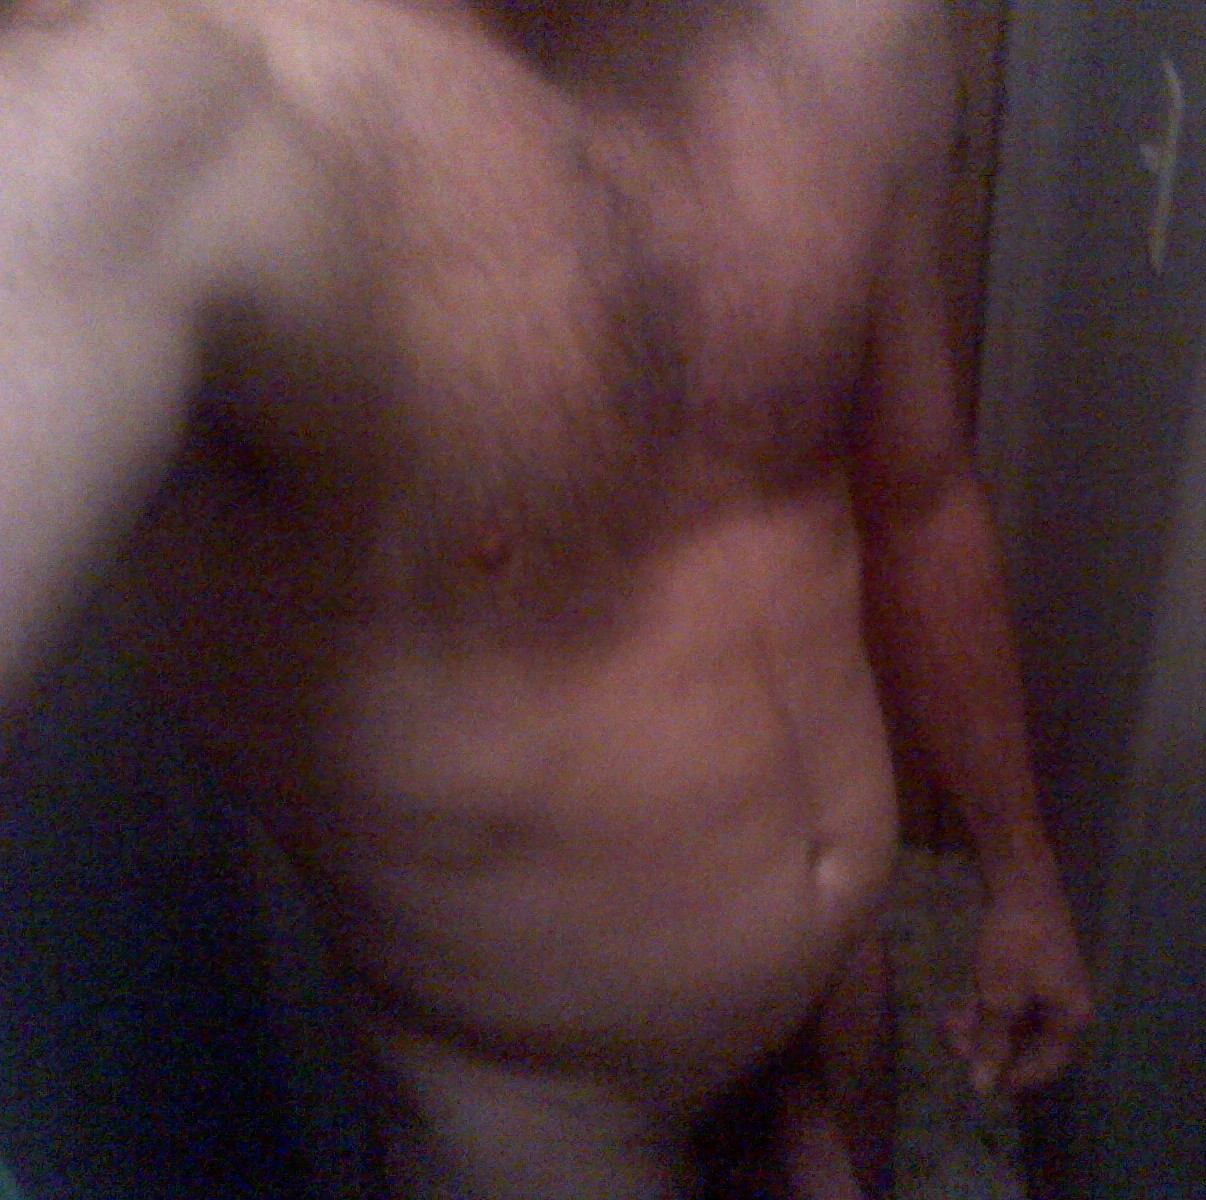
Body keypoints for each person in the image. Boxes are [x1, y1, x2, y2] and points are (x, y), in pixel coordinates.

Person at [0, 1, 1092, 1196]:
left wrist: (1020, 879)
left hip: (841, 1004)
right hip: (542, 1109)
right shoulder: (156, 110)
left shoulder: (853, 33)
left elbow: (920, 500)